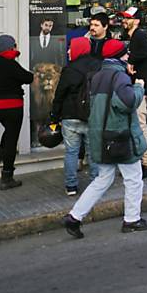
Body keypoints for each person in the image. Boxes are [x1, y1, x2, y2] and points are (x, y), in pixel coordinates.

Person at [62, 39, 147, 239]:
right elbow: (126, 102)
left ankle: (74, 216)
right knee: (133, 179)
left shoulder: (97, 75)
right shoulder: (119, 76)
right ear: (119, 56)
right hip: (119, 135)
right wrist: (138, 87)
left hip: (100, 134)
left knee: (102, 179)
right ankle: (132, 219)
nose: (128, 56)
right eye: (125, 53)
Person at [50, 37, 104, 194]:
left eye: (70, 48)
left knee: (71, 152)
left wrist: (54, 115)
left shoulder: (70, 69)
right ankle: (96, 184)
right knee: (93, 151)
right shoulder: (98, 65)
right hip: (92, 115)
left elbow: (60, 94)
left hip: (70, 116)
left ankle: (71, 185)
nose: (68, 51)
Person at [0, 34, 33, 190]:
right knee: (12, 139)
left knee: (9, 130)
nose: (17, 47)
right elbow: (27, 77)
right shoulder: (10, 63)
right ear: (10, 47)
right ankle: (7, 176)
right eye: (15, 45)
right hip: (12, 107)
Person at [120, 7, 147, 178]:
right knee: (137, 124)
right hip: (136, 85)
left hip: (140, 86)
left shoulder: (140, 35)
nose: (124, 21)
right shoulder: (133, 37)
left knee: (141, 124)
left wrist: (132, 60)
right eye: (124, 18)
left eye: (128, 18)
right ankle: (141, 161)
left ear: (136, 21)